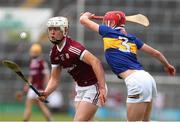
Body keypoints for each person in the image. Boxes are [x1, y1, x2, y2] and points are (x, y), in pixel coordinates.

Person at [80, 11, 176, 121]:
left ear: (111, 23)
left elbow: (83, 20)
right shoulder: (132, 38)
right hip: (147, 78)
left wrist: (87, 15)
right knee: (146, 121)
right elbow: (156, 53)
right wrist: (167, 65)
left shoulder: (108, 32)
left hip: (136, 81)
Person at [38, 16, 107, 122]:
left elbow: (96, 62)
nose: (52, 32)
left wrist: (102, 88)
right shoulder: (54, 53)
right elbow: (54, 79)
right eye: (50, 29)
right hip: (80, 88)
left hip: (94, 86)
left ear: (64, 30)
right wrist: (46, 92)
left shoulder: (73, 48)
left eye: (56, 29)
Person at [23, 43, 53, 122]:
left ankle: (50, 120)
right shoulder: (35, 62)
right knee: (33, 105)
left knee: (36, 105)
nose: (31, 53)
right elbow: (32, 76)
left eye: (32, 52)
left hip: (37, 88)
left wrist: (47, 88)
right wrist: (27, 85)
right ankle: (49, 120)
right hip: (35, 87)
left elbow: (47, 75)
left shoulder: (40, 63)